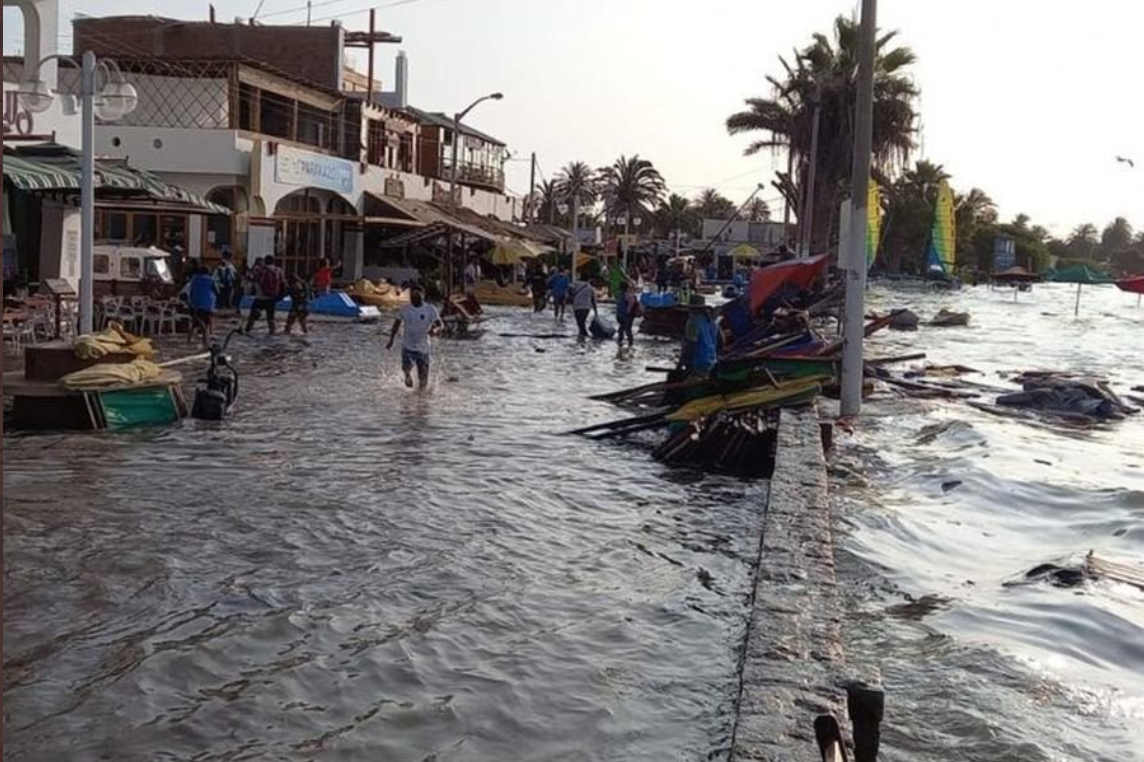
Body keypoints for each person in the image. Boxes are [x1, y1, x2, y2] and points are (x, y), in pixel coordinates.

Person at [386, 284, 443, 390]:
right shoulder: (405, 309)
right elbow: (396, 325)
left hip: (423, 349)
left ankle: (420, 403)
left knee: (423, 381)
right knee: (406, 368)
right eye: (412, 294)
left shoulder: (430, 309)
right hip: (408, 346)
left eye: (417, 294)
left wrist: (435, 330)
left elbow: (440, 324)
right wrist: (391, 340)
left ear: (423, 295)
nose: (414, 296)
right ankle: (407, 376)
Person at [680, 294, 720, 377]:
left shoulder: (693, 322)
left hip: (698, 362)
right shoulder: (711, 321)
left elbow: (691, 345)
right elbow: (719, 341)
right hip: (711, 360)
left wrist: (682, 363)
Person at [244, 255, 285, 334]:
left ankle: (246, 331)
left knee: (252, 317)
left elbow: (250, 278)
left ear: (265, 261)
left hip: (260, 297)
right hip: (272, 298)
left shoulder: (260, 270)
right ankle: (272, 333)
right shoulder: (278, 270)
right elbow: (283, 283)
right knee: (270, 318)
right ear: (273, 261)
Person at [183, 263, 218, 345]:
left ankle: (189, 340)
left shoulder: (194, 279)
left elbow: (191, 290)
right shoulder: (211, 280)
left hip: (195, 304)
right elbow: (217, 290)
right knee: (206, 323)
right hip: (207, 304)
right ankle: (205, 342)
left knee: (195, 323)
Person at [615, 280, 641, 348]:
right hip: (624, 314)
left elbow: (630, 304)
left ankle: (628, 341)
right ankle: (625, 341)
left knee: (626, 328)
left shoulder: (625, 295)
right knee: (624, 328)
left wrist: (627, 311)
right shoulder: (625, 294)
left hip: (626, 314)